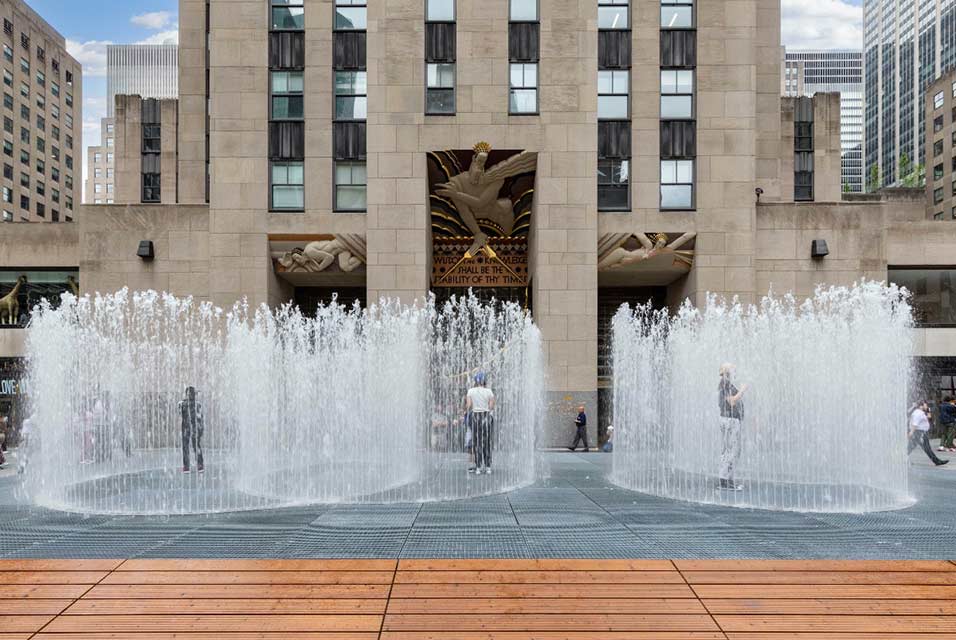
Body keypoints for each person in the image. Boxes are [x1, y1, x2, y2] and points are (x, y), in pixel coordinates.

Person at [718, 363, 748, 491]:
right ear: (727, 372)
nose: (735, 371)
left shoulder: (725, 383)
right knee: (733, 451)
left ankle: (727, 480)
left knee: (730, 450)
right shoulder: (725, 384)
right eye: (733, 369)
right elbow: (731, 401)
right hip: (730, 420)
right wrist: (742, 390)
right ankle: (724, 481)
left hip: (729, 419)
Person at [465, 372, 495, 474]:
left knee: (476, 442)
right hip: (486, 417)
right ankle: (488, 467)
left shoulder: (470, 391)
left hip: (475, 417)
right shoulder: (489, 391)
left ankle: (477, 467)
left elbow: (469, 405)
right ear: (484, 381)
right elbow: (491, 406)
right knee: (487, 442)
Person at [908, 400, 949, 467]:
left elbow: (929, 417)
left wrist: (928, 411)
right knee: (927, 448)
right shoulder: (918, 413)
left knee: (910, 447)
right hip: (920, 433)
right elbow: (915, 424)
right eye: (925, 404)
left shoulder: (920, 412)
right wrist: (911, 432)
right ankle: (937, 461)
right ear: (921, 405)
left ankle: (900, 458)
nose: (927, 405)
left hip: (919, 433)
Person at [178, 386, 205, 474]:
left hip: (186, 427)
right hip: (195, 428)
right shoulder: (198, 404)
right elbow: (200, 417)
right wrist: (201, 429)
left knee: (186, 447)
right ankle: (200, 465)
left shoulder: (181, 404)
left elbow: (180, 414)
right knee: (196, 446)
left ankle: (186, 467)